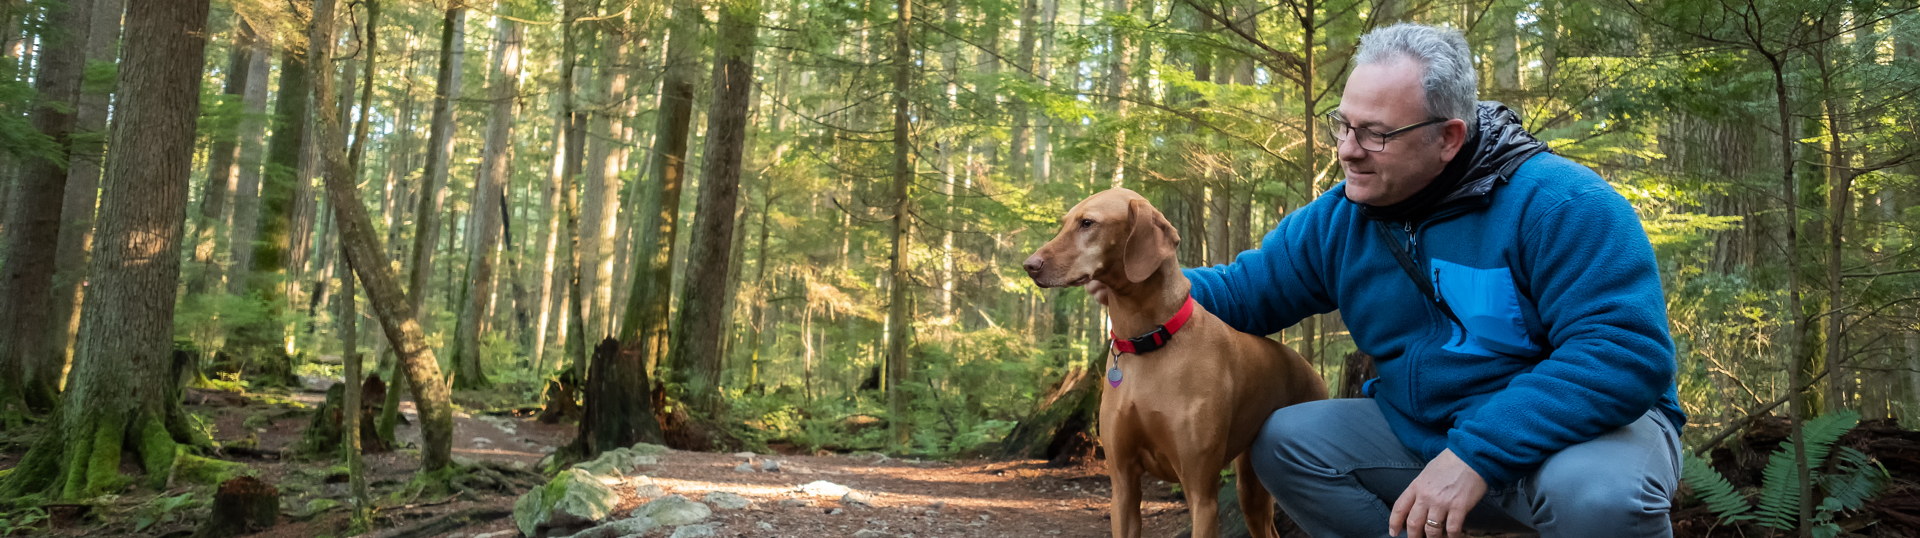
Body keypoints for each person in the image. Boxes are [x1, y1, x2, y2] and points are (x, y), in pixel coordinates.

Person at [1095, 23, 1686, 538]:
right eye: (1342, 126)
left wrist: (1476, 455)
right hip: (1425, 432)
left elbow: (1623, 353)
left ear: (1448, 137)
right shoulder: (1340, 219)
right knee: (1285, 442)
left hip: (1576, 440)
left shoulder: (1563, 204)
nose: (1348, 152)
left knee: (1600, 498)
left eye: (1375, 134)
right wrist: (1134, 281)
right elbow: (1241, 295)